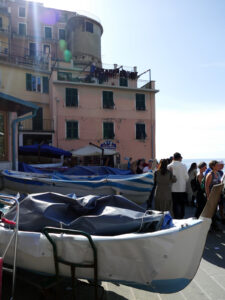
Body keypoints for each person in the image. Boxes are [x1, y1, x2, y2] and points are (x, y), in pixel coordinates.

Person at [167, 152, 189, 219]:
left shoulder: (169, 166)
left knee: (174, 204)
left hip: (173, 189)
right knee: (182, 204)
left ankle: (175, 217)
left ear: (173, 158)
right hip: (182, 188)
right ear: (180, 158)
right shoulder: (184, 166)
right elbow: (187, 177)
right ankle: (182, 216)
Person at [205, 160, 222, 231]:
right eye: (217, 165)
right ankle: (210, 227)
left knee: (214, 211)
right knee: (211, 212)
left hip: (216, 196)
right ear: (213, 166)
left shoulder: (218, 174)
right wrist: (208, 197)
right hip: (211, 196)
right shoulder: (210, 174)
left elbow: (219, 184)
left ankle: (214, 226)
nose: (219, 166)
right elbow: (207, 186)